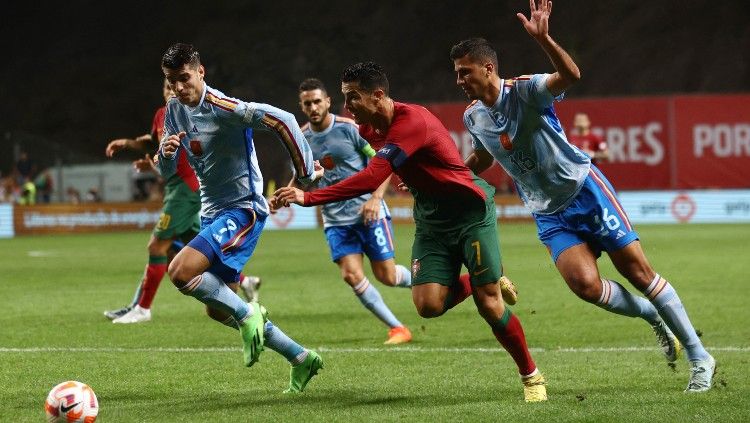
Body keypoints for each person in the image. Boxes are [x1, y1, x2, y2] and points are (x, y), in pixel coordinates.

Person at [450, 0, 714, 393]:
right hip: (548, 212)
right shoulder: (474, 116)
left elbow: (570, 74)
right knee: (586, 286)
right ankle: (652, 316)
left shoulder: (525, 91)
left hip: (584, 190)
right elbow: (486, 155)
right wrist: (451, 174)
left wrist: (544, 39)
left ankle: (699, 356)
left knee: (639, 273)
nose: (459, 81)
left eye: (464, 72)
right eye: (456, 74)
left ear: (488, 68)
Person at [275, 62, 546, 402]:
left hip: (469, 213)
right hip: (431, 220)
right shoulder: (368, 130)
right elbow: (398, 162)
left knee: (489, 306)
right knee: (428, 306)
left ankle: (531, 376)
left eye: (353, 98)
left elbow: (372, 177)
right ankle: (487, 277)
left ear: (378, 95)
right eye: (345, 98)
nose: (348, 107)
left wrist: (309, 197)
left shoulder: (411, 120)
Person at [156, 43, 323, 393]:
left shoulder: (224, 108)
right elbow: (168, 169)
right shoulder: (174, 109)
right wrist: (166, 155)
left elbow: (284, 120)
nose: (179, 88)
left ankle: (251, 315)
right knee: (217, 310)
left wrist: (305, 173)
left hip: (243, 208)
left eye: (185, 78)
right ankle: (301, 358)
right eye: (172, 81)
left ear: (201, 72)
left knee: (181, 271)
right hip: (212, 212)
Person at [102, 79, 262, 324]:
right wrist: (130, 144)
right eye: (166, 86)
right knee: (192, 249)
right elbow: (153, 141)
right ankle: (246, 282)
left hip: (185, 191)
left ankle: (142, 308)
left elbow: (181, 151)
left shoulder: (188, 115)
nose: (171, 90)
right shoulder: (164, 115)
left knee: (157, 247)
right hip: (178, 187)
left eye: (174, 85)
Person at [297, 78, 412, 345]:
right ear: (302, 107)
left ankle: (436, 280)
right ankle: (398, 328)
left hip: (368, 213)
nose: (313, 107)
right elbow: (302, 178)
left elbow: (383, 160)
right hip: (336, 220)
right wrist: (285, 194)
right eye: (307, 103)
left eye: (317, 101)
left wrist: (375, 198)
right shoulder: (302, 139)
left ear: (327, 101)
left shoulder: (351, 129)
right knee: (351, 275)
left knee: (388, 276)